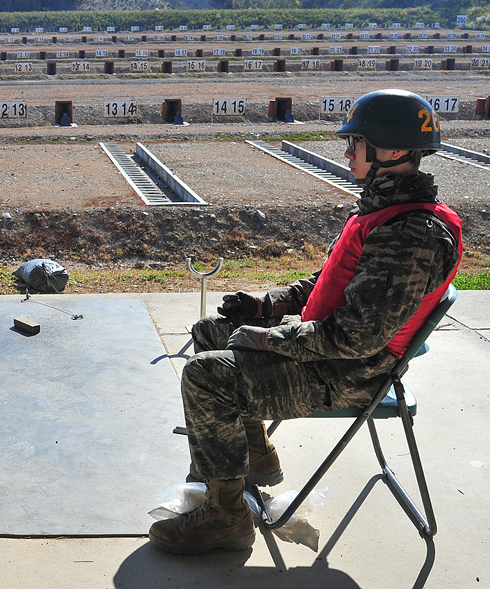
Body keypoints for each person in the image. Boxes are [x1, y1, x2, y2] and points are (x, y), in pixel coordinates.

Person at [149, 89, 464, 555]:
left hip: (348, 375)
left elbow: (356, 337)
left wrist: (272, 338)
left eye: (356, 143)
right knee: (210, 332)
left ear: (393, 151)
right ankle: (254, 457)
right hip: (328, 356)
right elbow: (327, 283)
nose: (346, 151)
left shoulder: (410, 235)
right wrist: (264, 304)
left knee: (205, 376)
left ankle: (225, 519)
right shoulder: (385, 213)